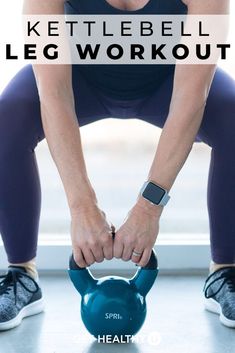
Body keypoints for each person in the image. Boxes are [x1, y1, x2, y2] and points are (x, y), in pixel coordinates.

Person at [0, 0, 234, 331]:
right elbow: (53, 93)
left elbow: (191, 97)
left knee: (232, 115)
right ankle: (22, 274)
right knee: (8, 116)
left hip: (166, 83)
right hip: (82, 81)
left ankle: (225, 271)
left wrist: (148, 209)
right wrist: (82, 207)